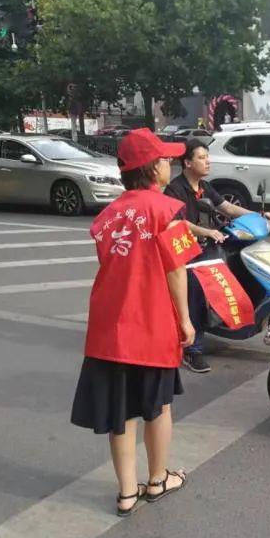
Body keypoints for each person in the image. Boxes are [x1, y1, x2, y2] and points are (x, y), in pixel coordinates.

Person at [70, 128, 198, 517]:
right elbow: (177, 271)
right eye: (165, 159)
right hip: (152, 324)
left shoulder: (108, 214)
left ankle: (127, 492)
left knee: (119, 412)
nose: (170, 164)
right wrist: (186, 321)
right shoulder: (167, 210)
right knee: (157, 406)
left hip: (110, 327)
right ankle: (158, 479)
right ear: (152, 168)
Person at [165, 139, 270, 373]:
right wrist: (206, 231)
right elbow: (178, 221)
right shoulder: (175, 189)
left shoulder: (205, 186)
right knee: (196, 284)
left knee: (239, 262)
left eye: (208, 157)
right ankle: (192, 350)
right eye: (202, 158)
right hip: (186, 249)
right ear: (187, 163)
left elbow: (226, 207)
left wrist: (258, 215)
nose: (208, 161)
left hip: (208, 244)